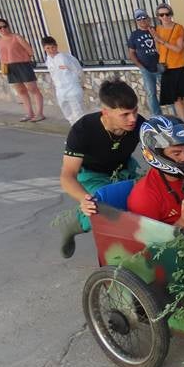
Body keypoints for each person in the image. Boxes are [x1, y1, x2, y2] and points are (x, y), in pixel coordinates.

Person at [57, 80, 144, 258]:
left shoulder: (140, 125)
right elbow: (67, 175)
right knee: (103, 210)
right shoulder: (83, 130)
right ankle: (73, 223)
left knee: (137, 204)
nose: (133, 119)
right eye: (125, 114)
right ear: (106, 112)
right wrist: (84, 199)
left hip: (124, 168)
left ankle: (138, 252)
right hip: (92, 175)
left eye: (135, 111)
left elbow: (159, 147)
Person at [128, 115, 184, 236]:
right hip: (174, 246)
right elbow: (151, 244)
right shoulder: (143, 195)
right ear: (156, 154)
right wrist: (183, 221)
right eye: (176, 153)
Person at [152, 3, 184, 133]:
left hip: (179, 67)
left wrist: (162, 41)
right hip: (167, 69)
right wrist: (157, 40)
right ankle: (183, 126)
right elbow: (159, 50)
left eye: (167, 14)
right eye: (161, 15)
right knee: (176, 100)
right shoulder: (158, 29)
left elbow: (178, 49)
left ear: (171, 14)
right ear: (158, 17)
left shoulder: (178, 28)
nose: (165, 17)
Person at [0, 18, 44, 122]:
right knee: (21, 91)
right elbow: (1, 56)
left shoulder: (16, 37)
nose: (3, 29)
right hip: (10, 67)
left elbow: (30, 51)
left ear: (8, 26)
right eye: (0, 27)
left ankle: (39, 113)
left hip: (23, 65)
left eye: (5, 26)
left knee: (33, 89)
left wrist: (22, 58)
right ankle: (29, 114)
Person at [41, 36, 85, 125]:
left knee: (78, 113)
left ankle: (82, 132)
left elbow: (78, 71)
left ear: (56, 46)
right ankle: (75, 131)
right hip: (60, 90)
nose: (50, 50)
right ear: (44, 49)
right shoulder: (48, 60)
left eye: (52, 47)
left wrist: (79, 83)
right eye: (48, 48)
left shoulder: (66, 57)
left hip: (72, 88)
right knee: (67, 112)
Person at [127, 8, 161, 116]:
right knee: (151, 94)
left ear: (149, 19)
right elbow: (131, 53)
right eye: (139, 19)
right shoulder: (134, 35)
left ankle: (175, 117)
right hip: (146, 69)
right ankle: (157, 117)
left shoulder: (157, 30)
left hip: (161, 66)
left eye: (144, 18)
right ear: (136, 22)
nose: (142, 20)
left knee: (169, 92)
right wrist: (140, 66)